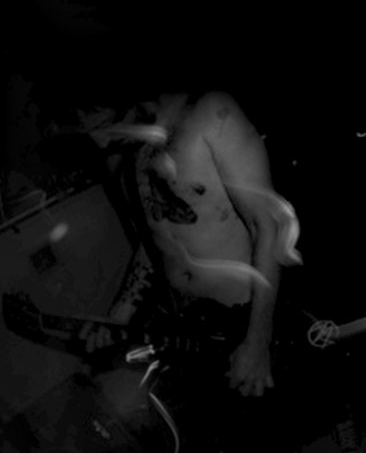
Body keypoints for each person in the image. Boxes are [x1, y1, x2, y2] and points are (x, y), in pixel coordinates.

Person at [76, 90, 300, 399]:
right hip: (190, 327)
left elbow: (268, 226)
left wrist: (258, 341)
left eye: (104, 125)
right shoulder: (127, 156)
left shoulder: (209, 114)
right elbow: (154, 244)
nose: (101, 143)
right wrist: (118, 316)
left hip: (247, 319)